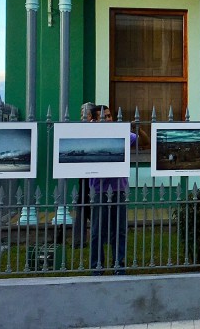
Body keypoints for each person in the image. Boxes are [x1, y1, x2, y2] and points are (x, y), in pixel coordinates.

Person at [89, 105, 137, 275]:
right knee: (97, 231)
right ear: (93, 120)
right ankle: (96, 267)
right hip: (98, 189)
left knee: (119, 230)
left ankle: (119, 265)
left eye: (109, 116)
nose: (108, 119)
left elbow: (142, 141)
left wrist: (133, 128)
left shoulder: (121, 133)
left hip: (119, 187)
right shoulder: (89, 135)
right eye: (104, 116)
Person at [71, 102, 98, 247]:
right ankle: (79, 241)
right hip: (84, 175)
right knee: (82, 205)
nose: (82, 116)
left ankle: (97, 236)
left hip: (97, 175)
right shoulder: (79, 129)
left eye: (85, 113)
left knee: (93, 206)